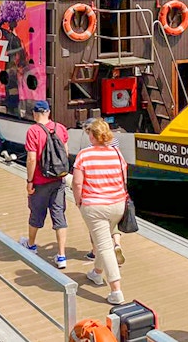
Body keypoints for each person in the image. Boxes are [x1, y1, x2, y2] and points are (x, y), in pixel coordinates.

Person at [72, 118, 127, 305]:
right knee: (103, 239)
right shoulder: (117, 154)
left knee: (104, 245)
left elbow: (77, 183)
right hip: (118, 204)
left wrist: (78, 201)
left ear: (93, 136)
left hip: (95, 206)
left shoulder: (84, 155)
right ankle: (96, 273)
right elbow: (123, 178)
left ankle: (116, 291)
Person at [19, 100, 69, 269]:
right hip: (58, 180)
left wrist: (30, 181)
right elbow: (66, 153)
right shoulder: (60, 128)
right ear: (48, 112)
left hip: (41, 180)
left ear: (34, 113)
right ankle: (61, 255)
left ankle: (31, 245)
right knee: (59, 214)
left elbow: (32, 158)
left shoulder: (33, 131)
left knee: (36, 213)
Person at [82, 118, 124, 265]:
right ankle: (117, 244)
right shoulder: (115, 145)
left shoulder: (89, 150)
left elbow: (80, 177)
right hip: (116, 192)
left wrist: (78, 199)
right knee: (113, 224)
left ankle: (95, 253)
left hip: (97, 195)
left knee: (98, 230)